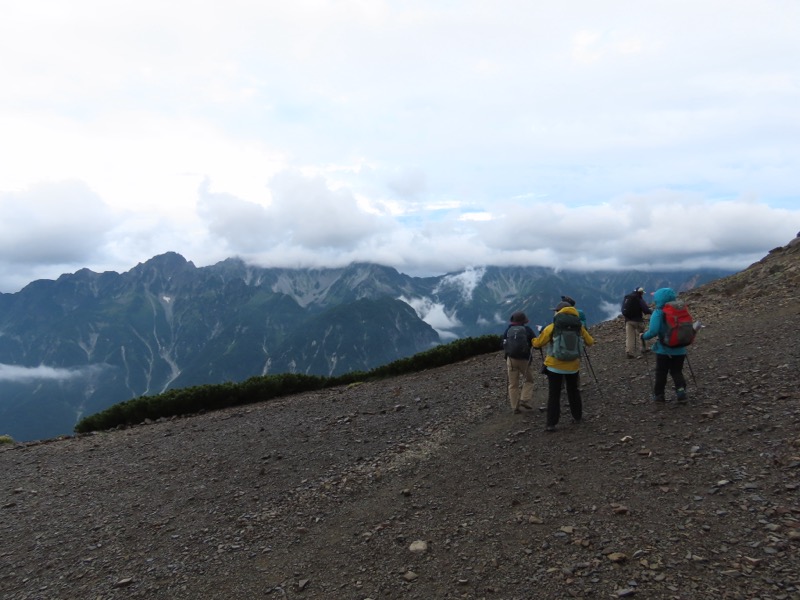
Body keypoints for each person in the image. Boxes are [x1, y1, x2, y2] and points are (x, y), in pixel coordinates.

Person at [533, 302, 595, 432]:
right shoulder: (579, 326)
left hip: (554, 366)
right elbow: (590, 342)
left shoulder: (553, 326)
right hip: (573, 366)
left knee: (554, 394)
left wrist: (533, 340)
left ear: (558, 312)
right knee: (573, 391)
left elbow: (539, 343)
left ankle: (551, 424)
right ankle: (577, 417)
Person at [641, 288, 688, 404]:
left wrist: (643, 336)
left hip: (664, 349)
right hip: (680, 348)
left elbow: (653, 331)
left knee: (661, 372)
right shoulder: (680, 308)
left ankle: (659, 395)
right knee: (677, 371)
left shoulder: (658, 312)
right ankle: (681, 391)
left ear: (659, 299)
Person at [502, 311, 537, 414]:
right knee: (529, 379)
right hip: (524, 360)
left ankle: (515, 407)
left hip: (511, 360)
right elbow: (536, 344)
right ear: (524, 321)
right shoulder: (527, 330)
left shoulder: (508, 330)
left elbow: (503, 344)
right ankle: (524, 399)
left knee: (513, 384)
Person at [621, 287, 652, 359]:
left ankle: (629, 352)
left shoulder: (627, 297)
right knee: (642, 333)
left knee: (629, 337)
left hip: (628, 321)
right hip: (638, 320)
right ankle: (644, 348)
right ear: (640, 293)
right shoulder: (639, 299)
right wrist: (652, 311)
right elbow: (646, 310)